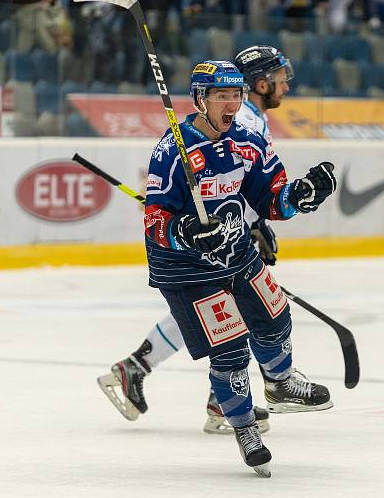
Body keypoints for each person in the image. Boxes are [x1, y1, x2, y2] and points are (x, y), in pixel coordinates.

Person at [143, 60, 334, 476]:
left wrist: (299, 196)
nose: (232, 103)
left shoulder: (246, 141)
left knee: (275, 315)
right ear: (201, 99)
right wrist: (185, 231)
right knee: (229, 352)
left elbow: (270, 197)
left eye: (237, 95)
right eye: (222, 96)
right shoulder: (173, 152)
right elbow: (154, 219)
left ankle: (280, 382)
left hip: (235, 249)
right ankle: (245, 428)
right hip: (187, 269)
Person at [97, 47, 298, 436]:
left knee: (221, 310)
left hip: (231, 233)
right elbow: (230, 184)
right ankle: (218, 402)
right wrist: (233, 225)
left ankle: (138, 369)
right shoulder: (245, 123)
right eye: (280, 76)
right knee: (222, 311)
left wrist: (253, 223)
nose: (286, 84)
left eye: (234, 94)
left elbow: (246, 182)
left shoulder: (247, 120)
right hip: (223, 237)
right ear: (261, 81)